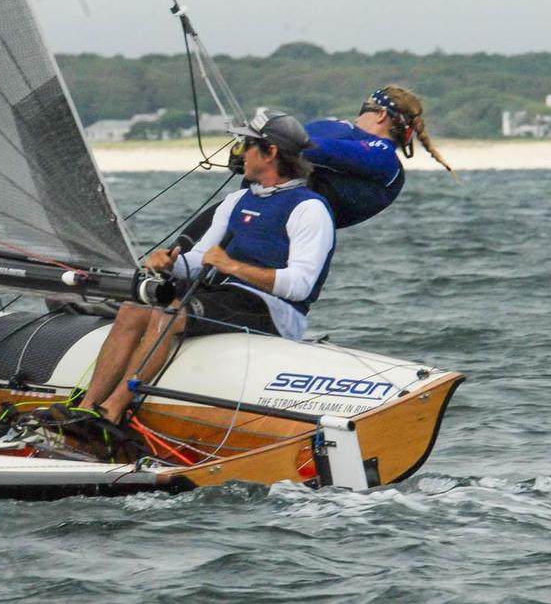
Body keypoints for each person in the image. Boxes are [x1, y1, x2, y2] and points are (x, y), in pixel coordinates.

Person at [75, 110, 336, 424]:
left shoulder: (309, 209)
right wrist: (171, 263)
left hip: (276, 310)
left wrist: (232, 266)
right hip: (226, 294)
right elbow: (198, 260)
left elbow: (300, 286)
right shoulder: (237, 200)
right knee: (133, 308)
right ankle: (86, 406)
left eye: (247, 145)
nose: (240, 152)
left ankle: (113, 410)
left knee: (166, 315)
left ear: (270, 153)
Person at [304, 85, 455, 228]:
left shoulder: (384, 156)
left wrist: (288, 139)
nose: (357, 118)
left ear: (381, 114)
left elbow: (325, 150)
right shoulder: (349, 136)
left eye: (364, 108)